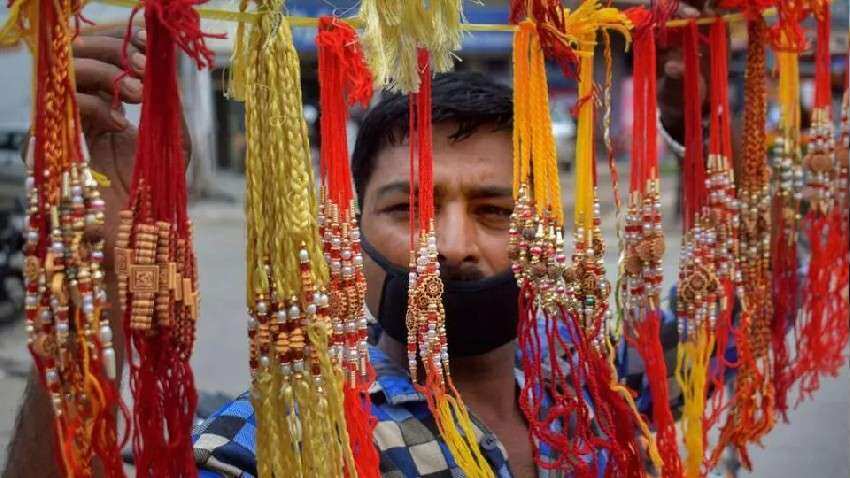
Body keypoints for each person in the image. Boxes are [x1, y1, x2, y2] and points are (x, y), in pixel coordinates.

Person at [3, 5, 704, 477]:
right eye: (409, 210)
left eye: (495, 210)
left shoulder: (593, 384)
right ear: (349, 233)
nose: (453, 248)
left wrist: (702, 135)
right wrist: (101, 274)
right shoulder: (297, 438)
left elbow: (733, 316)